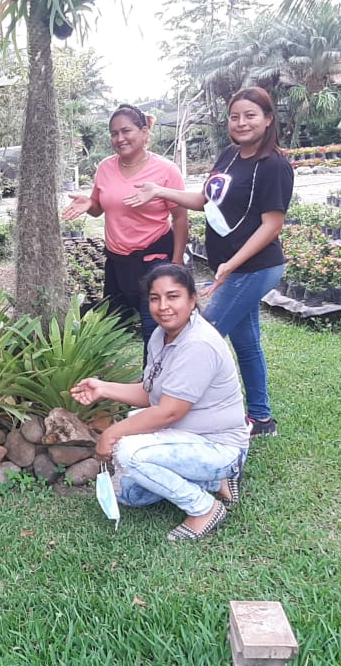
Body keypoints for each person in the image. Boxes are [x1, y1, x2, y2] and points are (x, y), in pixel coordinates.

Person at [127, 87, 293, 437]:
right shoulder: (230, 155)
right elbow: (205, 200)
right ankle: (261, 419)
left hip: (255, 267)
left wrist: (231, 264)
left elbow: (272, 225)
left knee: (198, 336)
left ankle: (168, 410)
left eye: (250, 115)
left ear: (268, 119)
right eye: (235, 116)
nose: (241, 122)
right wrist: (159, 191)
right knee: (247, 343)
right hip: (233, 266)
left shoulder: (273, 165)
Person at [71, 263, 248, 541]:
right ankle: (214, 480)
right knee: (126, 493)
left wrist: (110, 434)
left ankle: (204, 507)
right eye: (155, 298)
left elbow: (168, 412)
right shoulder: (161, 335)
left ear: (192, 299)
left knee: (129, 452)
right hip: (185, 436)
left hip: (217, 444)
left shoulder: (198, 344)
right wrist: (103, 388)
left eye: (173, 296)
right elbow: (151, 393)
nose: (163, 306)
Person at [61, 104, 189, 342]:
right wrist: (89, 203)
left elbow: (180, 218)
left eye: (126, 131)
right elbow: (99, 209)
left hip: (154, 261)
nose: (120, 138)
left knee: (154, 331)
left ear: (143, 131)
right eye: (114, 133)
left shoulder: (165, 170)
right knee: (112, 331)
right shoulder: (105, 167)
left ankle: (156, 368)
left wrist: (177, 261)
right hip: (117, 263)